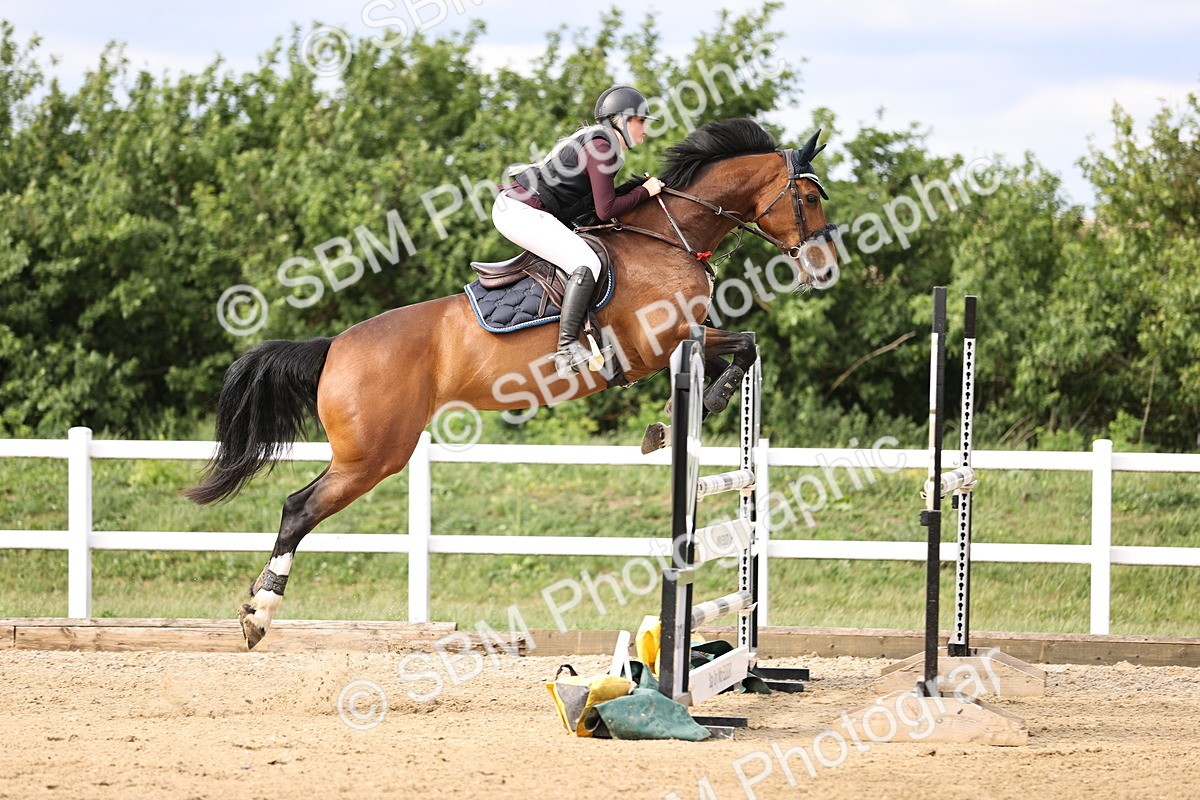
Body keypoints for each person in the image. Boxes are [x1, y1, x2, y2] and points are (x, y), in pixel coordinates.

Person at [493, 85, 665, 379]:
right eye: (640, 121)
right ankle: (567, 348)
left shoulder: (602, 145)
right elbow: (606, 210)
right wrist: (646, 192)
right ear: (621, 120)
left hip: (525, 210)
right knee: (587, 263)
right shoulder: (601, 148)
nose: (645, 129)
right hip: (521, 211)